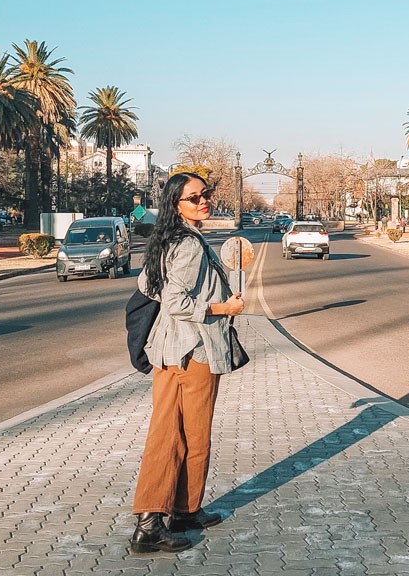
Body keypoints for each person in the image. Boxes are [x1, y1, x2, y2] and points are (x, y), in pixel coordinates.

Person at [129, 172, 244, 554]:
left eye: (206, 194)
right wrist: (222, 306)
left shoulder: (172, 238)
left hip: (177, 350)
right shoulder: (188, 246)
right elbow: (177, 304)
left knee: (194, 435)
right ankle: (149, 524)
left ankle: (184, 510)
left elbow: (148, 286)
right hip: (188, 352)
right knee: (171, 437)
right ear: (176, 205)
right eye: (194, 198)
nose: (204, 201)